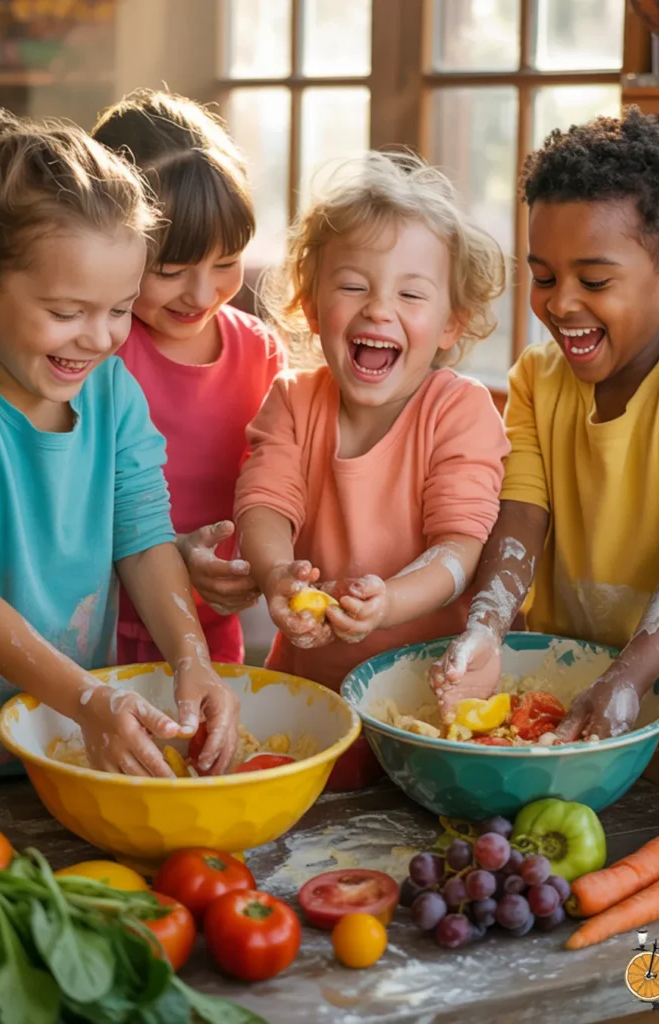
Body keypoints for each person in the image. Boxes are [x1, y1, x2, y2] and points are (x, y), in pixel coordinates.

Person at [0, 91, 240, 783]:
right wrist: (88, 698)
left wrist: (193, 660)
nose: (99, 338)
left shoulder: (115, 395)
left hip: (71, 747)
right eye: (67, 312)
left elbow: (145, 542)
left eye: (120, 309)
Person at [430, 107, 659, 742]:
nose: (561, 301)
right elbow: (520, 517)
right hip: (565, 668)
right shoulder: (536, 378)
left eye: (593, 279)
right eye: (543, 276)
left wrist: (627, 679)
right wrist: (487, 624)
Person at [234, 151, 509, 783]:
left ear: (451, 323)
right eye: (354, 286)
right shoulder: (292, 400)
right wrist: (276, 574)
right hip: (312, 702)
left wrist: (388, 602)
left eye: (411, 293)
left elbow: (458, 549)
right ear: (310, 306)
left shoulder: (459, 410)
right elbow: (264, 505)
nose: (379, 309)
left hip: (432, 707)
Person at [92, 89, 286, 666]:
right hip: (92, 631)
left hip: (211, 633)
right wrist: (169, 555)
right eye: (171, 271)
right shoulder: (97, 354)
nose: (202, 294)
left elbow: (278, 489)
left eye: (226, 263)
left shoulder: (259, 354)